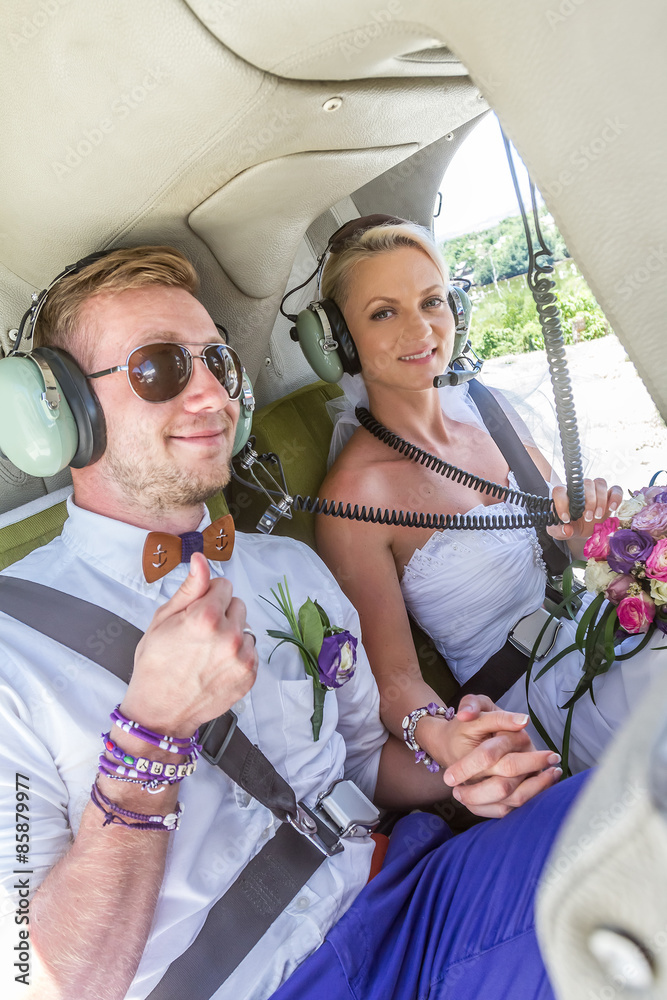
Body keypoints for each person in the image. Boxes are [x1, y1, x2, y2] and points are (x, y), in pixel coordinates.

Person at [0, 245, 575, 1000]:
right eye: (160, 368)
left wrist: (457, 765)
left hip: (406, 894)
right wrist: (149, 737)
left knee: (622, 815)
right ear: (61, 412)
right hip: (261, 984)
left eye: (219, 363)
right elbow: (37, 979)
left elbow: (364, 765)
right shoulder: (14, 654)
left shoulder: (289, 568)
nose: (212, 395)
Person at [315, 216, 665, 775]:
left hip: (601, 631)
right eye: (384, 312)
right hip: (530, 703)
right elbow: (396, 680)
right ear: (338, 340)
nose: (421, 329)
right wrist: (451, 740)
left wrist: (589, 534)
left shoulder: (492, 412)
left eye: (431, 302)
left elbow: (571, 549)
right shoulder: (355, 498)